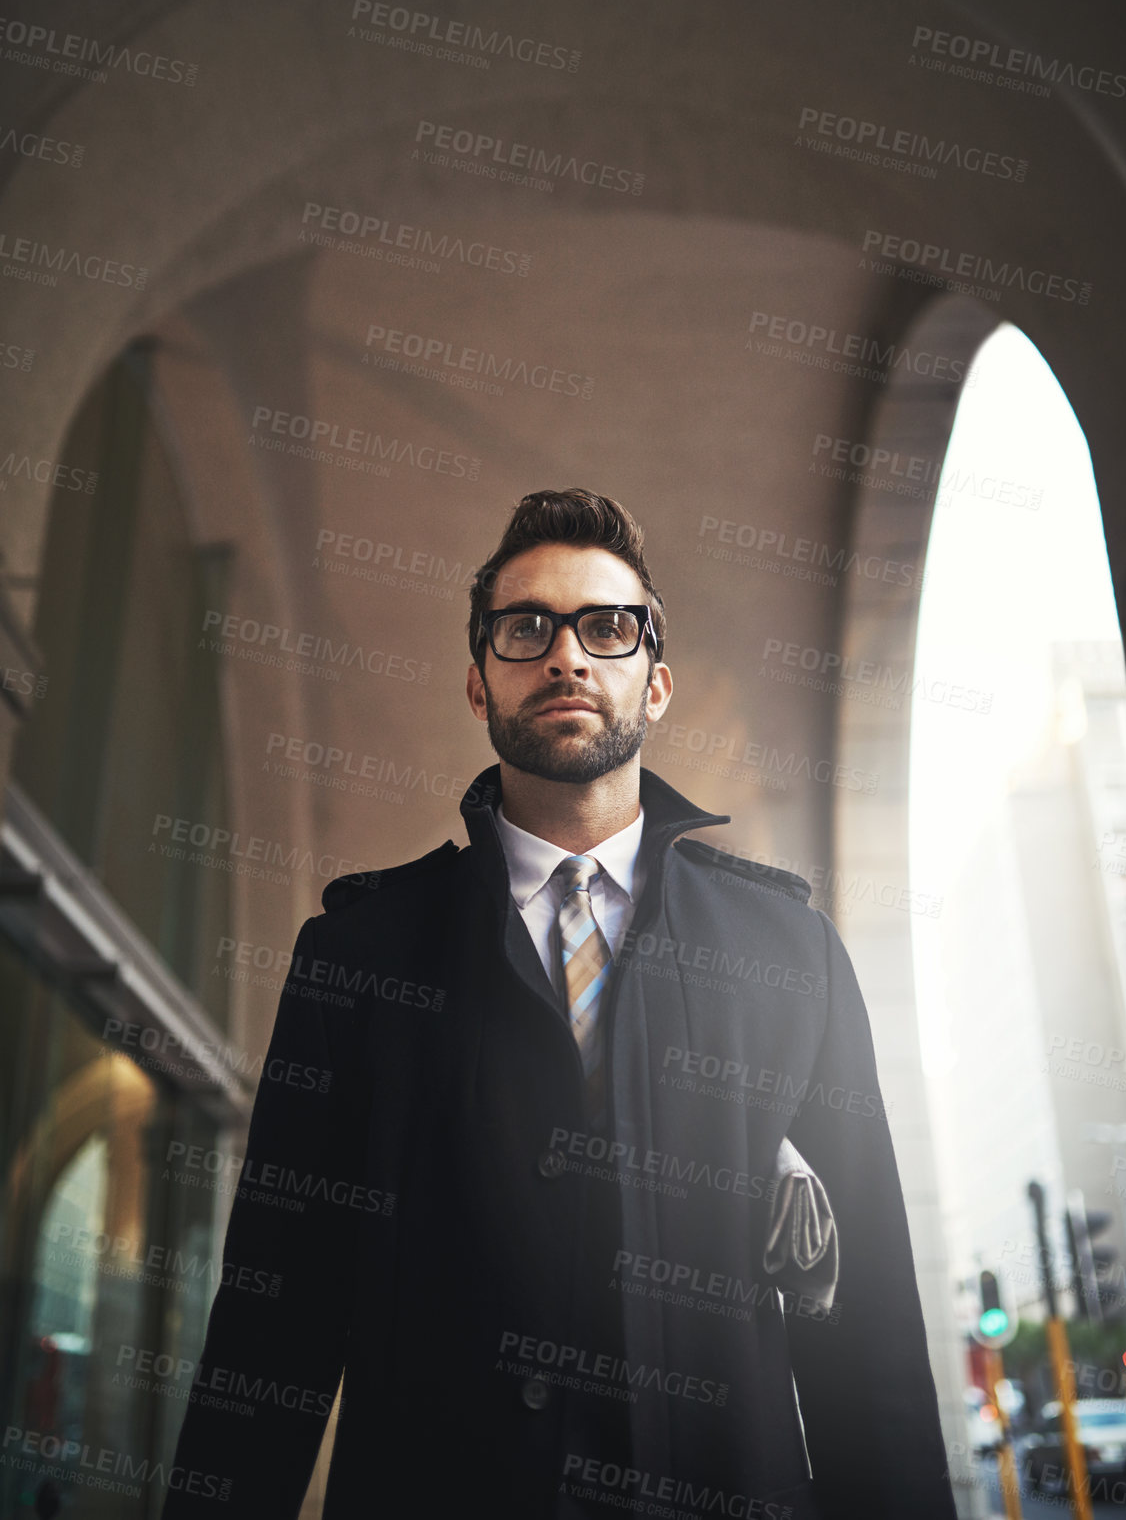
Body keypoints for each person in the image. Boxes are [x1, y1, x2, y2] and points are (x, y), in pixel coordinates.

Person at [162, 487, 958, 1520]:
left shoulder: (791, 956)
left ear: (656, 683)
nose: (566, 656)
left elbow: (868, 1337)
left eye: (608, 627)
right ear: (476, 681)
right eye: (525, 627)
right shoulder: (356, 955)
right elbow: (277, 1318)